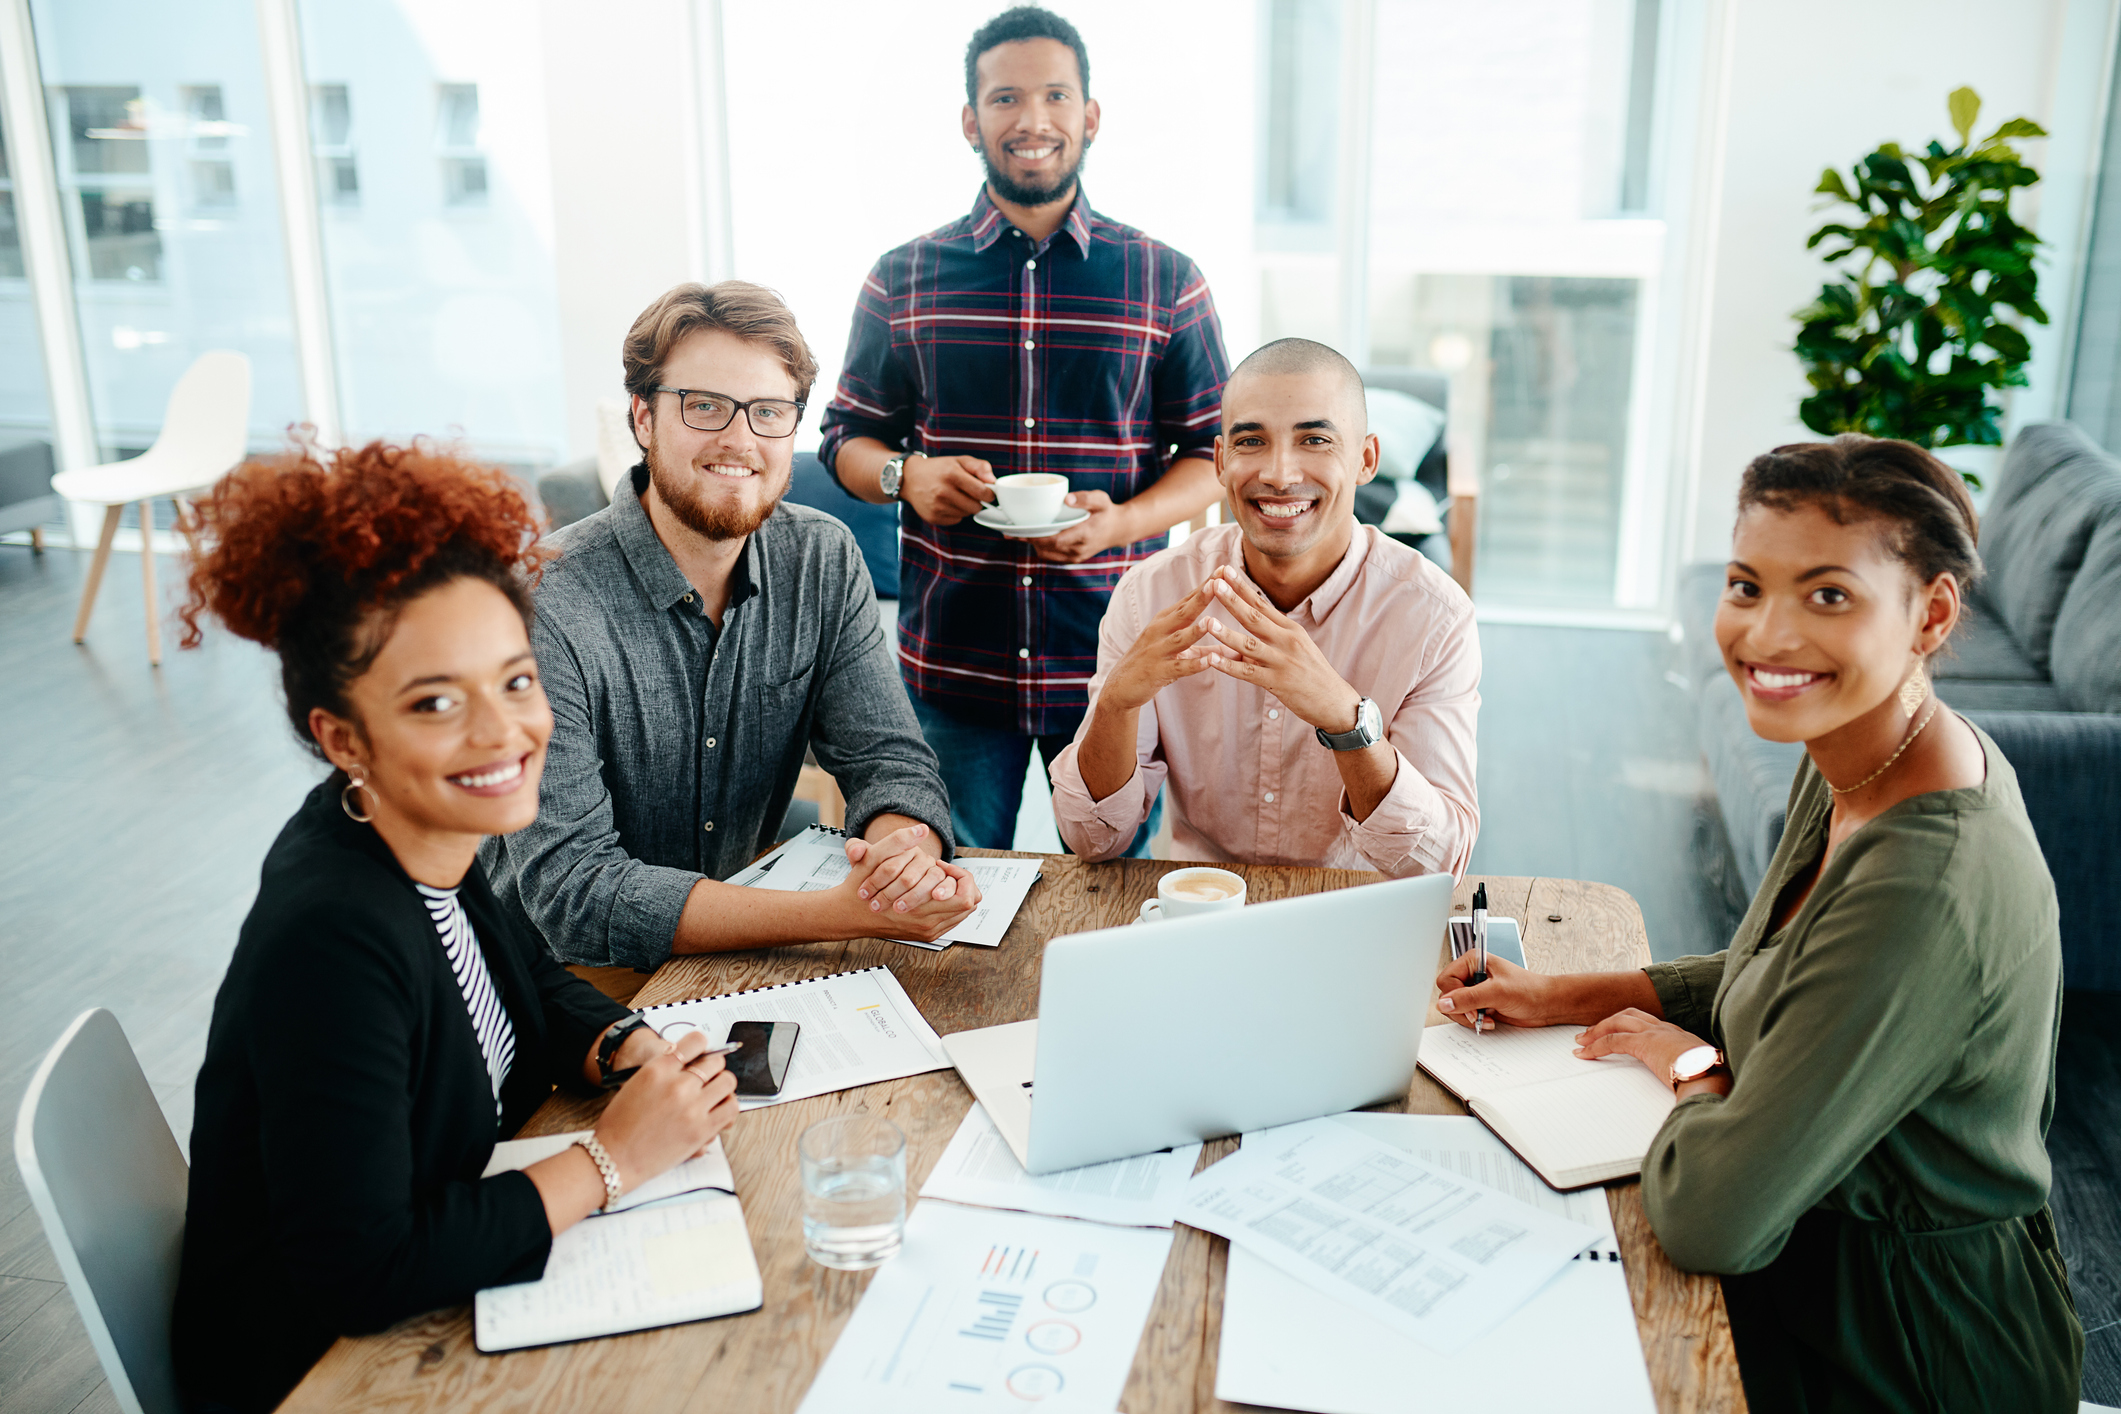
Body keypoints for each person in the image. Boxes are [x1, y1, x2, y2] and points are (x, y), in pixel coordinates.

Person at [1436, 435, 2084, 1410]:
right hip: (1816, 1266)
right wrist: (1568, 992)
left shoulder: (1926, 879)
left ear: (1932, 615)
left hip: (1907, 1352)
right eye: (1746, 584)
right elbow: (1774, 970)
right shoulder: (1861, 749)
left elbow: (1713, 1217)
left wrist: (1693, 1067)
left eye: (1828, 595)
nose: (1767, 635)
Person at [171, 443, 739, 1413]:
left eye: (516, 681)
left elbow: (521, 967)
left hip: (452, 1275)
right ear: (342, 737)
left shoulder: (418, 833)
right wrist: (611, 1160)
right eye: (437, 702)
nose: (502, 733)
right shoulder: (331, 937)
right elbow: (361, 1268)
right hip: (330, 1368)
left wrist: (622, 1042)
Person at [818, 4, 1230, 851]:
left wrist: (1122, 522)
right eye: (1005, 99)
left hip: (1111, 659)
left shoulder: (1166, 279)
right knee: (946, 898)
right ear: (971, 120)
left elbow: (1213, 455)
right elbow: (845, 438)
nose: (1032, 120)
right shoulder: (902, 277)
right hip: (953, 664)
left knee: (1123, 890)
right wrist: (907, 477)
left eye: (1054, 96)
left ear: (1090, 115)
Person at [482, 281, 981, 969]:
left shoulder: (822, 557)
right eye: (705, 406)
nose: (739, 440)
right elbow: (575, 892)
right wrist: (838, 914)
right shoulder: (543, 599)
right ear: (643, 419)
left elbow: (889, 760)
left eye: (768, 412)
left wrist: (906, 857)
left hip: (728, 953)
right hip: (558, 984)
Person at [1047, 338, 1479, 877]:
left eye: (1315, 439)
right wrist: (1114, 706)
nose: (1278, 473)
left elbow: (1437, 862)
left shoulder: (1434, 617)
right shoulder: (1150, 595)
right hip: (1197, 911)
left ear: (1365, 459)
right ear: (1223, 461)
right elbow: (1092, 838)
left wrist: (1345, 720)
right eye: (1251, 441)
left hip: (1357, 917)